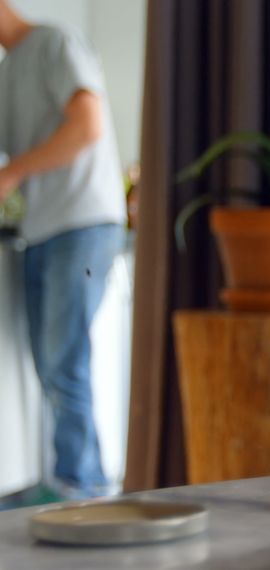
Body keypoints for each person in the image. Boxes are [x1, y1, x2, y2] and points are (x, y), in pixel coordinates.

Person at [0, 1, 126, 500]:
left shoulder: (56, 44)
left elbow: (86, 126)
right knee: (50, 362)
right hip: (41, 228)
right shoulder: (8, 73)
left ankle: (81, 485)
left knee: (64, 357)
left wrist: (13, 172)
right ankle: (74, 478)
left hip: (83, 223)